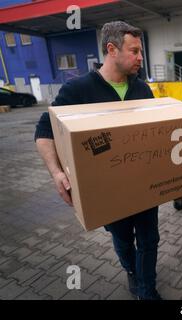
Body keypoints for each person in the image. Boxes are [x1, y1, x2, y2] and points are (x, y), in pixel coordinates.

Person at [34, 21, 162, 300]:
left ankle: (146, 290)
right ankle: (131, 269)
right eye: (135, 51)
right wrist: (57, 173)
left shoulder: (142, 90)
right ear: (111, 49)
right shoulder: (78, 90)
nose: (141, 58)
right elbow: (44, 130)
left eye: (141, 52)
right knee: (124, 240)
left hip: (143, 185)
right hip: (108, 192)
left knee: (150, 239)